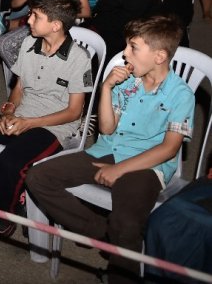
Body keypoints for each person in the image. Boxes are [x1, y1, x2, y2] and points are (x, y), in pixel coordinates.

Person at [27, 14, 194, 283]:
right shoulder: (126, 82)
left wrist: (120, 170)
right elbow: (106, 129)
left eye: (132, 48)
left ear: (160, 56)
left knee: (126, 224)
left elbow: (168, 149)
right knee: (38, 177)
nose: (124, 54)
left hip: (147, 165)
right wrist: (106, 88)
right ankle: (97, 229)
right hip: (108, 149)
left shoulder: (181, 94)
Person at [0, 0, 92, 237]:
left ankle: (6, 208)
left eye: (35, 17)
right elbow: (18, 87)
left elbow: (73, 112)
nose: (28, 21)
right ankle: (15, 197)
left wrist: (29, 123)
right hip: (21, 115)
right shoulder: (28, 43)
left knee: (10, 160)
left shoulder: (78, 59)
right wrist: (10, 111)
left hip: (53, 127)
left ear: (56, 25)